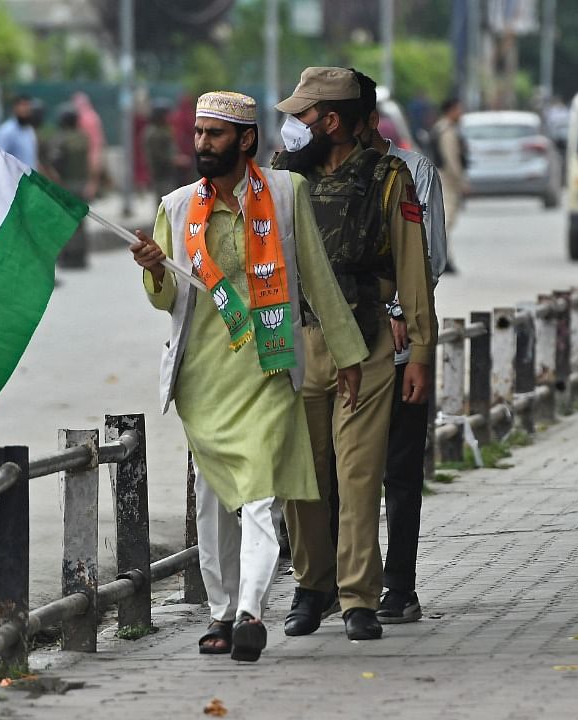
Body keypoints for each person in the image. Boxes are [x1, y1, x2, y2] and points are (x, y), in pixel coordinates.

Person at [128, 91, 367, 663]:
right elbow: (166, 300)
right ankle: (219, 609)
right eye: (199, 134)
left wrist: (348, 354)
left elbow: (315, 276)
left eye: (214, 134)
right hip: (204, 378)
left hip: (268, 364)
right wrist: (153, 271)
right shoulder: (177, 206)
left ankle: (250, 612)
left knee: (260, 497)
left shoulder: (288, 194)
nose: (202, 144)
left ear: (247, 139)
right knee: (214, 502)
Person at [271, 67, 437, 641]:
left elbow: (414, 268)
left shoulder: (391, 179)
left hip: (365, 344)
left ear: (332, 121)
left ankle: (359, 597)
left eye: (304, 116)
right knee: (303, 478)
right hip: (298, 344)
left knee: (359, 475)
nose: (295, 126)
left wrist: (419, 349)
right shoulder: (281, 178)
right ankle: (311, 587)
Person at [354, 70, 448, 624]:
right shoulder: (309, 176)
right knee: (342, 472)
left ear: (367, 121)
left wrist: (398, 318)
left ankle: (399, 584)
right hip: (338, 350)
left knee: (401, 467)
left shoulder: (415, 172)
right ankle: (344, 584)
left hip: (399, 341)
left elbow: (428, 260)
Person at [46, 104, 93, 268]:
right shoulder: (83, 137)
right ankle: (81, 256)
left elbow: (56, 160)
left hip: (65, 185)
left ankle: (68, 257)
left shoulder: (60, 138)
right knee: (80, 222)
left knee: (66, 221)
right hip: (81, 183)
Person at [431, 97, 467, 273]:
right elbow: (451, 159)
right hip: (447, 179)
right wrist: (460, 182)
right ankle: (441, 258)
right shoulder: (447, 131)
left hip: (441, 177)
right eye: (458, 109)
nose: (461, 113)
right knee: (446, 220)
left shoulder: (441, 128)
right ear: (451, 110)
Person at [144, 99, 184, 202]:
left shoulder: (164, 129)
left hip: (168, 174)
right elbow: (158, 155)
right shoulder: (154, 133)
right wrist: (175, 160)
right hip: (162, 174)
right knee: (166, 202)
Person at [0, 95, 39, 169]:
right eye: (23, 105)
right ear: (15, 108)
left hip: (29, 177)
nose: (26, 109)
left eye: (28, 105)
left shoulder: (29, 130)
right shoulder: (6, 131)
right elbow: (0, 158)